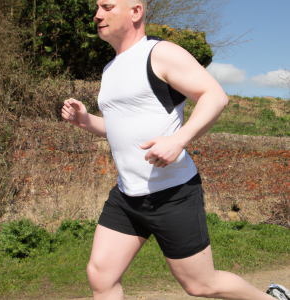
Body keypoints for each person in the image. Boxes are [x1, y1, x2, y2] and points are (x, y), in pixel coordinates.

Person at [61, 1, 286, 299]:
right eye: (97, 7)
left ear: (135, 11)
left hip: (172, 193)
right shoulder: (111, 68)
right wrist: (85, 119)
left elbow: (215, 96)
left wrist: (179, 139)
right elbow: (119, 128)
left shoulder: (160, 53)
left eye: (107, 6)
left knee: (200, 285)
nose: (97, 14)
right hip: (127, 196)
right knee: (100, 276)